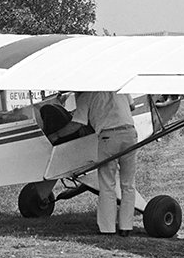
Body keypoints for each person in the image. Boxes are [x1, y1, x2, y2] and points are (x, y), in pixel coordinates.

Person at [48, 92, 137, 236]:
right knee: (128, 184)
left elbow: (77, 123)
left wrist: (56, 135)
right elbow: (132, 107)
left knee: (107, 184)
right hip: (130, 134)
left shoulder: (86, 95)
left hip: (108, 136)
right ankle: (126, 228)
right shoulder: (118, 87)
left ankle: (108, 229)